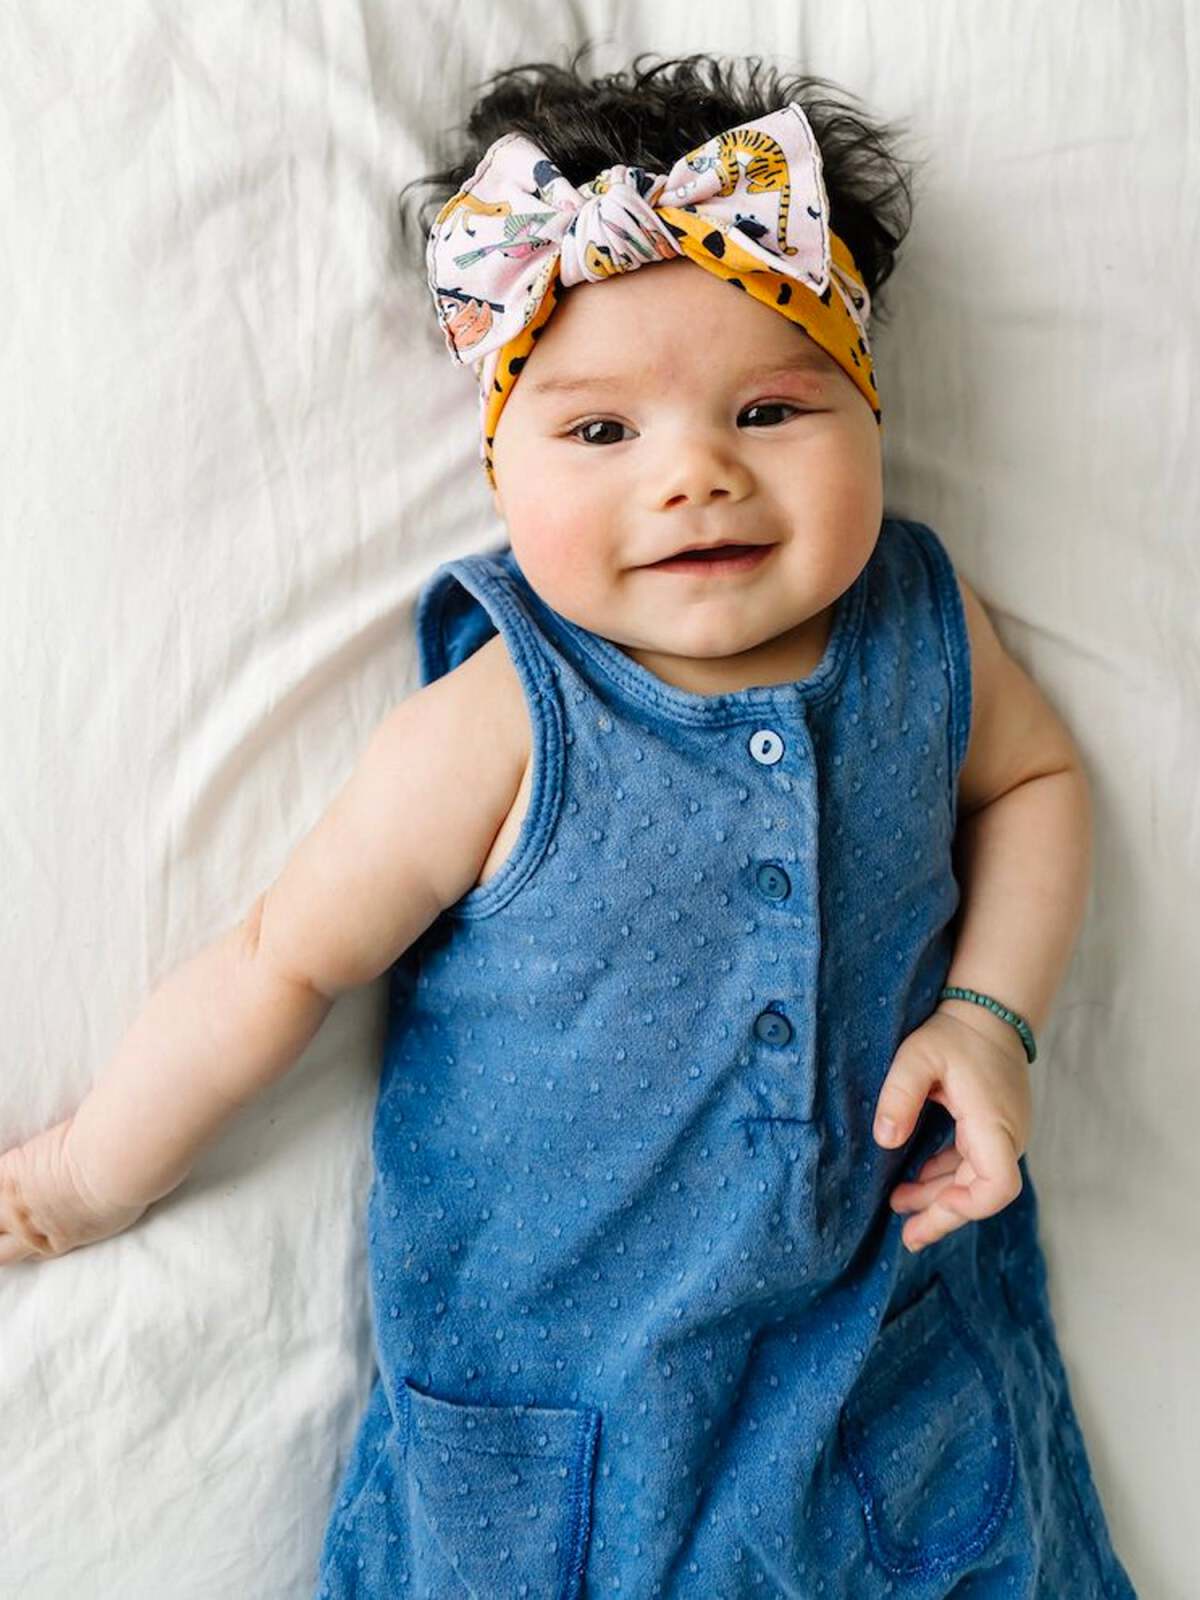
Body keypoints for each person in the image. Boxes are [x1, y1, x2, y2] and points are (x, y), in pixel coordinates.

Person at [0, 46, 1138, 1600]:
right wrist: (84, 1178)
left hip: (879, 1391)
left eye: (770, 405)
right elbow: (280, 958)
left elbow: (1036, 784)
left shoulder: (927, 637)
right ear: (503, 460)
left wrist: (994, 1015)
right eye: (601, 433)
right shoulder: (499, 720)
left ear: (870, 401)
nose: (698, 475)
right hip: (563, 1441)